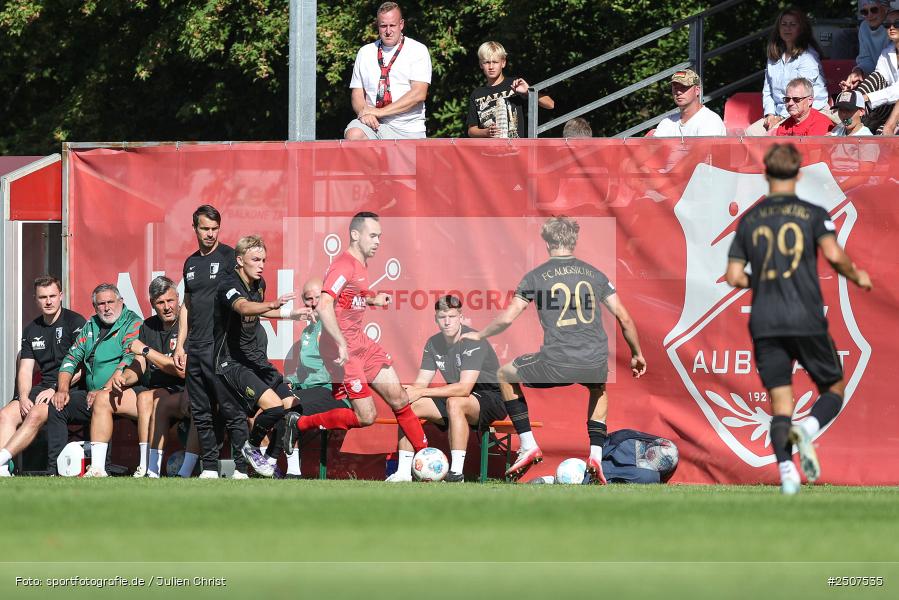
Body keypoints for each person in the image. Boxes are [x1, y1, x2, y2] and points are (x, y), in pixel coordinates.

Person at [725, 143, 873, 495]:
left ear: (765, 175)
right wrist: (857, 276)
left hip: (764, 320)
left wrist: (759, 280)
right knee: (834, 388)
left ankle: (787, 473)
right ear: (799, 174)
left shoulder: (750, 219)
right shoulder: (812, 212)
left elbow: (733, 276)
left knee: (780, 404)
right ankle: (807, 430)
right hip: (805, 316)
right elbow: (835, 256)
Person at [462, 216, 646, 482]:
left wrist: (479, 334)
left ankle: (527, 444)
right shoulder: (595, 275)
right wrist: (637, 354)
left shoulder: (536, 276)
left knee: (504, 374)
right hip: (593, 360)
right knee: (598, 387)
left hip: (557, 360)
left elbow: (507, 318)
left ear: (546, 241)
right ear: (574, 240)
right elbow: (625, 318)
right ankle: (595, 453)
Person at [283, 212, 429, 458]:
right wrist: (340, 342)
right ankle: (298, 424)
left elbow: (349, 296)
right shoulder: (344, 264)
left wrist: (372, 298)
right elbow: (325, 303)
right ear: (354, 235)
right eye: (372, 235)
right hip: (343, 351)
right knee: (366, 416)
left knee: (399, 397)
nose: (377, 241)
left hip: (361, 344)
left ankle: (425, 455)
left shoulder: (361, 264)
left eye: (379, 236)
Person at [214, 235, 312, 477]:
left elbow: (259, 314)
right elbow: (244, 307)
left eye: (263, 260)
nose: (261, 265)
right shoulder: (227, 284)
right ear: (239, 260)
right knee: (275, 407)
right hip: (231, 362)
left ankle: (268, 459)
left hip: (254, 360)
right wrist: (272, 304)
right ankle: (252, 448)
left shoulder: (259, 284)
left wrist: (292, 314)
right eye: (255, 259)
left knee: (293, 407)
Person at [388, 295, 506, 483]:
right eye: (442, 317)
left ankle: (456, 474)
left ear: (461, 317)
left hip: (491, 398)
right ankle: (403, 473)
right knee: (408, 405)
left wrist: (421, 392)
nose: (447, 322)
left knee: (455, 402)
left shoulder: (472, 339)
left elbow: (464, 389)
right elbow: (420, 384)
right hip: (457, 395)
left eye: (452, 316)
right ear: (436, 319)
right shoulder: (433, 343)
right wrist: (406, 393)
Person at [84, 276, 185, 477]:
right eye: (160, 302)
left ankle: (147, 467)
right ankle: (96, 468)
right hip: (151, 391)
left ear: (178, 298)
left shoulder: (188, 326)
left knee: (147, 399)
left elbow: (181, 370)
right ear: (152, 304)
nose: (166, 307)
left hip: (182, 392)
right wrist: (125, 377)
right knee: (103, 398)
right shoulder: (147, 326)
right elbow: (139, 363)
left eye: (170, 301)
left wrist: (146, 350)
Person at [174, 204, 244, 479]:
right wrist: (181, 345)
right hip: (196, 347)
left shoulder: (229, 257)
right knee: (200, 411)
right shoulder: (190, 263)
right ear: (195, 228)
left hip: (222, 347)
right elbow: (187, 306)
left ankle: (240, 467)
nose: (210, 234)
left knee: (231, 408)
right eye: (205, 229)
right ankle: (211, 469)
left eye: (215, 229)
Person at [50, 284, 142, 477]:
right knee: (58, 406)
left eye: (111, 302)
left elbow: (129, 360)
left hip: (122, 391)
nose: (106, 307)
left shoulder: (132, 323)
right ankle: (57, 468)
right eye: (101, 304)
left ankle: (102, 468)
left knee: (101, 401)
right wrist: (63, 389)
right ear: (94, 307)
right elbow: (70, 359)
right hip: (91, 392)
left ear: (121, 302)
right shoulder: (90, 325)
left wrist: (103, 390)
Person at [0, 276, 86, 476]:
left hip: (71, 388)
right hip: (43, 388)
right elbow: (25, 369)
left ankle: (1, 459)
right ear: (35, 299)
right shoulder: (31, 329)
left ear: (61, 296)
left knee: (37, 413)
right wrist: (22, 397)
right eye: (43, 297)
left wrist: (56, 388)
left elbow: (82, 367)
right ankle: (4, 470)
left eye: (53, 296)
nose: (48, 301)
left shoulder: (75, 322)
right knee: (5, 414)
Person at [344, 2, 432, 140]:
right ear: (377, 26)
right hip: (373, 124)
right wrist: (364, 112)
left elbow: (419, 94)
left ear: (401, 24)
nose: (388, 31)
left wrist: (380, 112)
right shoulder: (365, 52)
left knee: (399, 162)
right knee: (354, 134)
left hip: (407, 128)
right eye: (383, 26)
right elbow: (357, 93)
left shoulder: (417, 50)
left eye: (393, 25)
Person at [746, 7, 828, 136]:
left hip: (807, 112)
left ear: (801, 29)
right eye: (784, 24)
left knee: (771, 135)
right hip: (781, 113)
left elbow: (800, 98)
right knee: (751, 133)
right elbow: (767, 91)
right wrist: (770, 114)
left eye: (792, 25)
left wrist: (779, 118)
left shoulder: (808, 56)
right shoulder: (774, 56)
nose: (787, 28)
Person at [466, 41, 554, 138]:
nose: (491, 67)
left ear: (503, 63)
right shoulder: (477, 93)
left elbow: (550, 104)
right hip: (490, 151)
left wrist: (528, 92)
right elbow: (471, 130)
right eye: (486, 62)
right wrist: (486, 132)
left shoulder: (515, 84)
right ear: (481, 65)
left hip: (516, 150)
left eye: (495, 62)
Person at [653, 69, 726, 137]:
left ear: (697, 90)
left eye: (684, 87)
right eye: (675, 88)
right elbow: (653, 149)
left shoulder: (710, 121)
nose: (678, 92)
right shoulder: (667, 122)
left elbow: (705, 151)